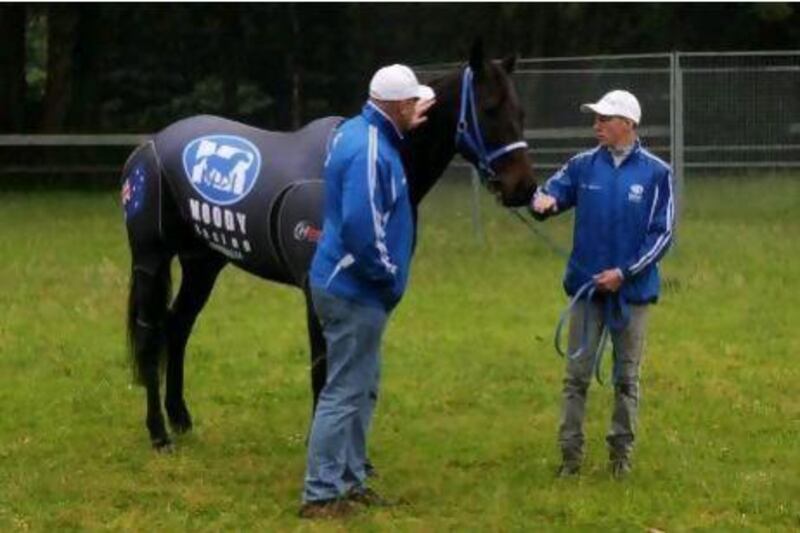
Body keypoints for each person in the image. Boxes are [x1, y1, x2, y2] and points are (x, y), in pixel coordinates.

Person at [300, 64, 435, 518]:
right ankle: (320, 494)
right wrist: (390, 273)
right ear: (397, 106)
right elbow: (362, 229)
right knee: (343, 391)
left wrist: (405, 122)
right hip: (355, 289)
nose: (418, 110)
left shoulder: (361, 131)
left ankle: (351, 480)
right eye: (413, 104)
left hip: (354, 289)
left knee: (362, 388)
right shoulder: (371, 149)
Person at [530, 90, 675, 479]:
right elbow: (551, 193)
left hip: (632, 296)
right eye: (595, 118)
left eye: (604, 118)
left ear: (628, 124)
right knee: (575, 378)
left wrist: (624, 273)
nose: (596, 125)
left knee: (626, 379)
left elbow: (661, 235)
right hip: (587, 291)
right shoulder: (581, 166)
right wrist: (542, 201)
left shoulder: (657, 173)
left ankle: (620, 458)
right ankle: (570, 458)